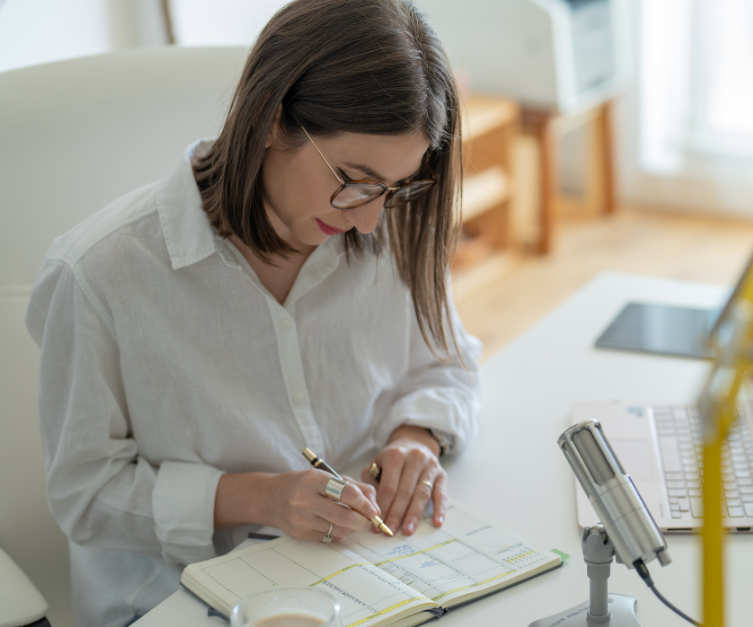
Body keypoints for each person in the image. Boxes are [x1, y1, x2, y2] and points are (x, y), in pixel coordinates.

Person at [24, 1, 481, 623]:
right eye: (354, 178)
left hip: (362, 570)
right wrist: (262, 498)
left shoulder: (383, 219)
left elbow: (448, 363)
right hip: (180, 596)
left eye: (397, 187)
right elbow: (86, 495)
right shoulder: (101, 274)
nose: (370, 220)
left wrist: (415, 439)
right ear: (269, 118)